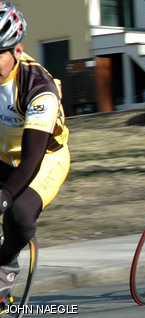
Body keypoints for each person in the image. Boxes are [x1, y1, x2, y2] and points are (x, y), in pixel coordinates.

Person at [0, 2, 70, 298]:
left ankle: (4, 271)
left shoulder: (38, 87)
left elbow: (31, 158)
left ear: (18, 51)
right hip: (3, 152)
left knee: (18, 214)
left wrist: (3, 198)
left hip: (43, 157)